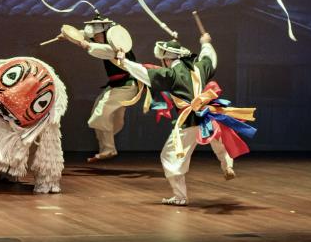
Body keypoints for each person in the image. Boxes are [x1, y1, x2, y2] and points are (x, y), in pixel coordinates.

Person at [120, 33, 255, 206]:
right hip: (208, 114)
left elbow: (144, 73)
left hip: (189, 119)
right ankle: (227, 165)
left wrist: (124, 61)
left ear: (166, 60)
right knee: (219, 139)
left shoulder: (171, 74)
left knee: (170, 155)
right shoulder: (198, 68)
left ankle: (180, 196)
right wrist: (205, 42)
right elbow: (209, 58)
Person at [61, 14, 142, 163]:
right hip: (117, 86)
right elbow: (84, 35)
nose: (95, 37)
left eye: (98, 35)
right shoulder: (106, 40)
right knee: (109, 117)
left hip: (126, 86)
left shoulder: (113, 48)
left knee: (100, 114)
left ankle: (109, 148)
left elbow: (89, 45)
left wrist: (76, 40)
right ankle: (107, 148)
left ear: (106, 34)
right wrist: (67, 35)